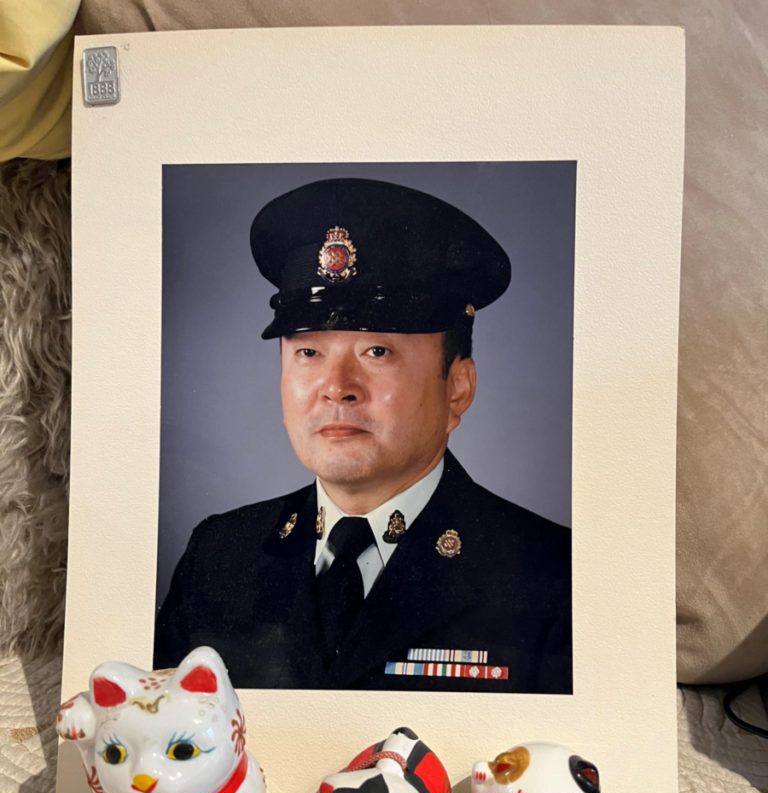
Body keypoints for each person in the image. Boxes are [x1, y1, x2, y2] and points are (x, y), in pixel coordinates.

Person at [154, 177, 571, 693]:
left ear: (457, 388)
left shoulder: (551, 576)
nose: (336, 388)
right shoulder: (218, 556)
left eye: (377, 352)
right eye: (309, 353)